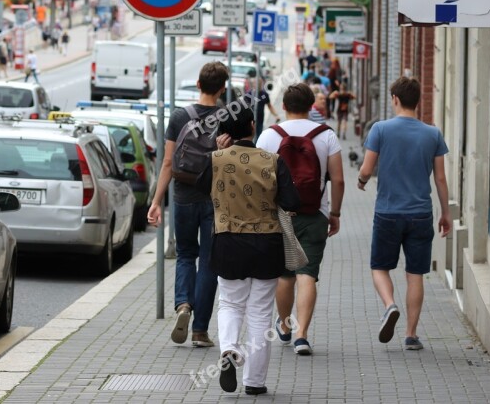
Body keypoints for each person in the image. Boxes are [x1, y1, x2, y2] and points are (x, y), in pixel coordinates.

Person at [197, 99, 300, 396]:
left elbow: (201, 187)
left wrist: (216, 153)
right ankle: (254, 382)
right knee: (259, 313)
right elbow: (293, 202)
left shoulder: (216, 160)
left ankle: (229, 348)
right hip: (267, 246)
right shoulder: (273, 160)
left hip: (227, 242)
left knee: (230, 303)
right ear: (253, 126)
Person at [357, 77, 452, 350]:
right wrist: (445, 213)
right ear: (417, 101)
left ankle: (390, 305)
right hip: (421, 213)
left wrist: (362, 183)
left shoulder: (380, 129)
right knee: (415, 274)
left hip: (387, 212)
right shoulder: (433, 134)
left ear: (395, 99)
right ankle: (411, 335)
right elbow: (441, 179)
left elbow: (365, 169)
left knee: (379, 267)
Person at [256, 83, 345, 356]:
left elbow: (260, 181)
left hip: (280, 215)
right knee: (307, 275)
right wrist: (335, 213)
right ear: (311, 108)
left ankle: (284, 326)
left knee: (285, 276)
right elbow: (338, 179)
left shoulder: (269, 136)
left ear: (283, 106)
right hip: (315, 213)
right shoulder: (326, 135)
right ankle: (302, 336)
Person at [147, 62, 230, 348]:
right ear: (222, 88)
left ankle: (183, 304)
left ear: (197, 84)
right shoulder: (228, 118)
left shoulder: (180, 116)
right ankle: (200, 331)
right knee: (209, 263)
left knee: (185, 255)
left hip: (182, 197)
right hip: (215, 199)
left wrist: (157, 202)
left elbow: (168, 162)